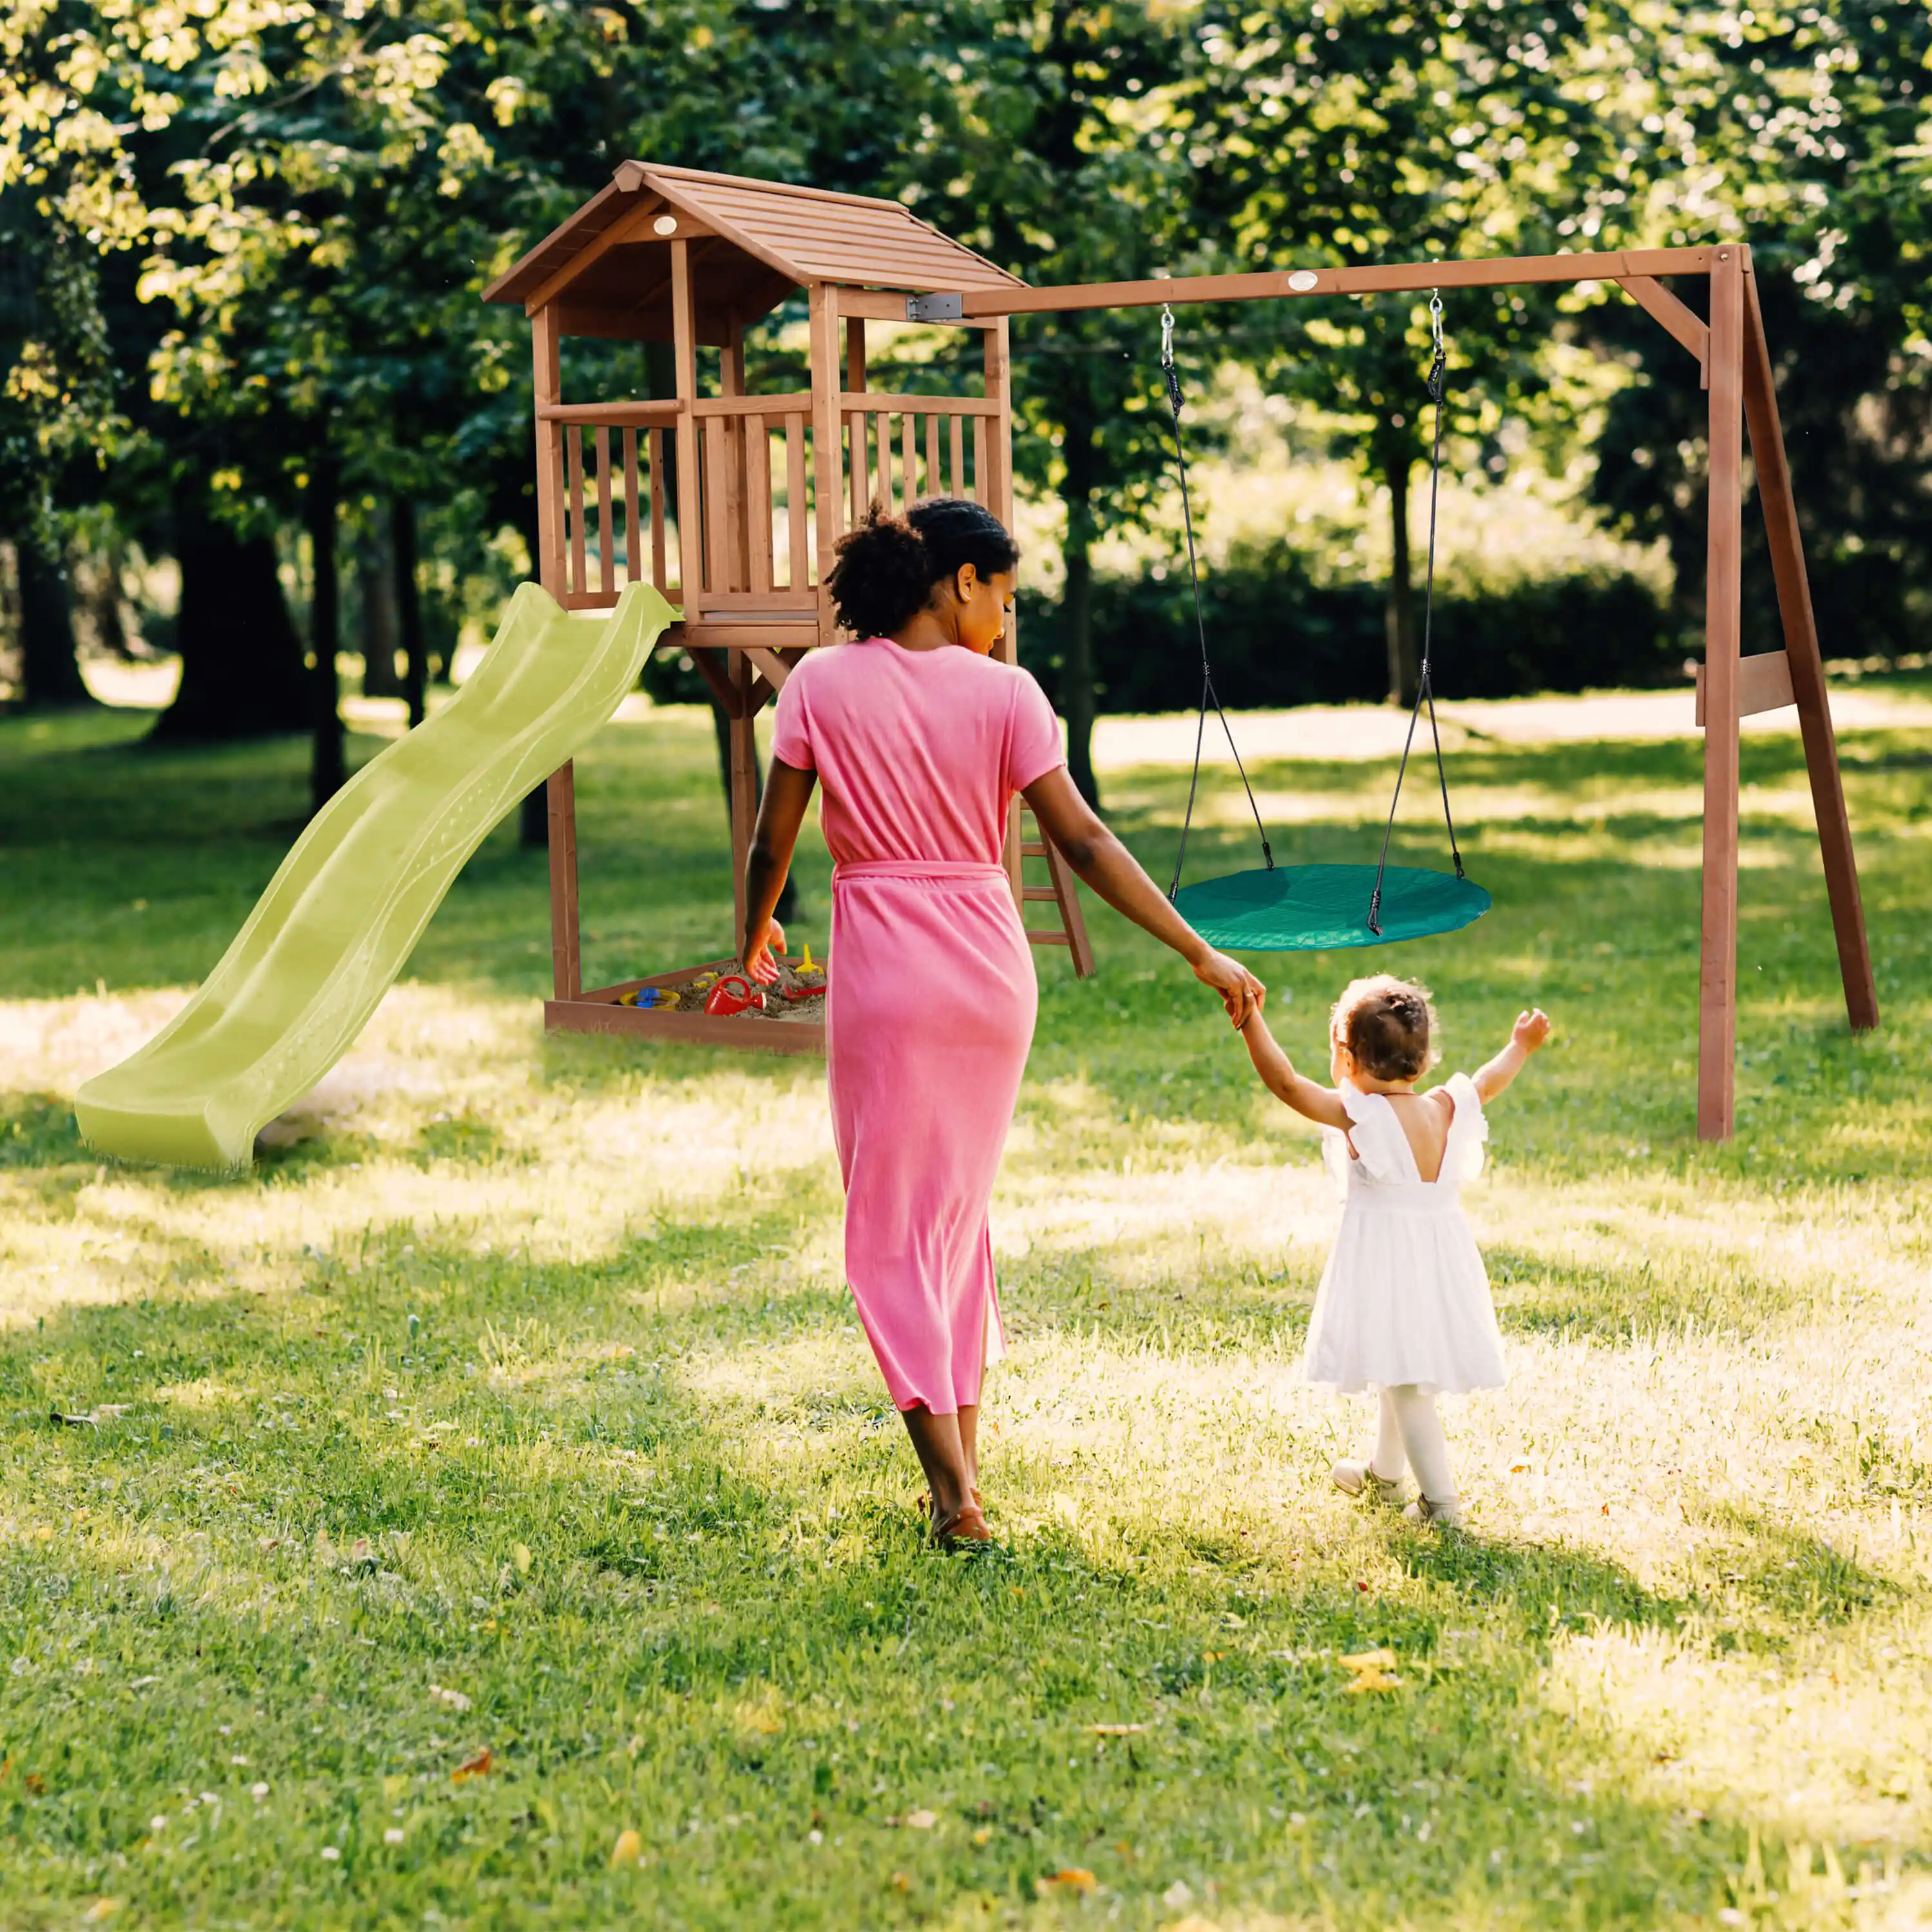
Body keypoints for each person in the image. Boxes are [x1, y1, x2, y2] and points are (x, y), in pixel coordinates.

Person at [741, 498, 1265, 1546]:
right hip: (989, 970)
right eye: (1007, 597)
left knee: (890, 1231)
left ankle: (953, 1494)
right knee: (952, 1224)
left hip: (888, 971)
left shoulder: (818, 684)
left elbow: (772, 843)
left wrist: (751, 938)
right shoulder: (1010, 697)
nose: (1009, 621)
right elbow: (1083, 843)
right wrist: (1197, 948)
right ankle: (962, 1479)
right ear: (961, 582)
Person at [1236, 975, 1551, 1528]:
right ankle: (1384, 1476)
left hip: (1388, 1263)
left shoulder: (1361, 1116)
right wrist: (1520, 1046)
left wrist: (1250, 1020)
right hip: (1439, 1259)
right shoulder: (1446, 1106)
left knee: (1405, 1382)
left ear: (1347, 1058)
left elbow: (1286, 1084)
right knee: (1395, 1361)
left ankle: (1441, 1504)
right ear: (1424, 1060)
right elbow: (1488, 1080)